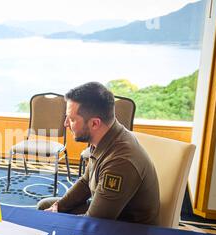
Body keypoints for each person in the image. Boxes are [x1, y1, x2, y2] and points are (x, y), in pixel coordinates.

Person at [37, 82, 160, 225]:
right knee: (46, 206)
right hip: (111, 214)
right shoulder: (105, 137)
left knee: (49, 220)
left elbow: (95, 223)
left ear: (95, 124)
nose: (65, 124)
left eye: (71, 119)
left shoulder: (121, 162)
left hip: (129, 231)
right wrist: (58, 206)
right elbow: (85, 181)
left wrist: (57, 220)